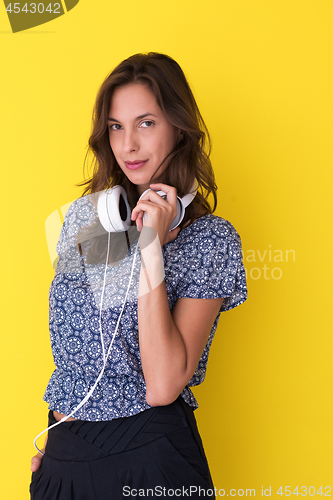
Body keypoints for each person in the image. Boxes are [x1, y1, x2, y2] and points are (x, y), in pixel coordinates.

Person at [30, 52, 248, 499]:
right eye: (115, 126)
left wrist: (151, 246)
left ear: (178, 128)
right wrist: (55, 449)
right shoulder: (87, 223)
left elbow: (163, 385)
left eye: (145, 123)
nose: (127, 144)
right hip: (64, 457)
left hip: (150, 460)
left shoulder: (211, 239)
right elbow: (80, 347)